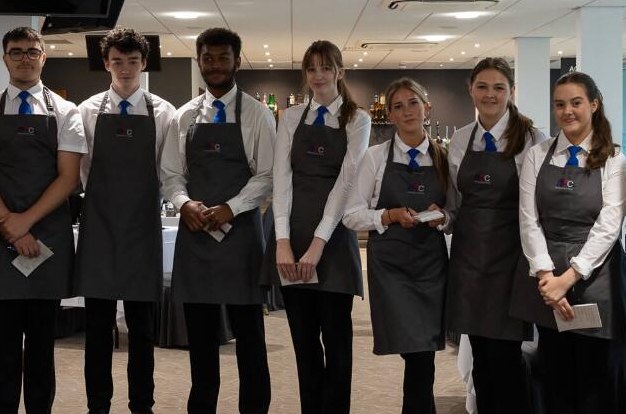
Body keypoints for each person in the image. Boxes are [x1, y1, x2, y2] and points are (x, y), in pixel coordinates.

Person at [0, 26, 85, 414]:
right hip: (1, 241)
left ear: (43, 57)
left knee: (43, 345)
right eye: (16, 52)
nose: (25, 59)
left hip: (48, 239)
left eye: (32, 52)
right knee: (4, 346)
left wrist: (25, 223)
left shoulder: (66, 112)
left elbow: (68, 178)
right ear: (5, 59)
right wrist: (10, 226)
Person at [160, 27, 275, 414]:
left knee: (250, 340)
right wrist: (183, 203)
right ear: (199, 61)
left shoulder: (257, 114)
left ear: (236, 61)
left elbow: (267, 175)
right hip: (196, 237)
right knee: (201, 344)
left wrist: (232, 207)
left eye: (223, 57)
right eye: (207, 58)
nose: (215, 65)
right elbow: (170, 174)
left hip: (241, 237)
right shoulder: (183, 116)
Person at [513, 71, 626, 413]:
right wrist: (546, 277)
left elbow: (609, 225)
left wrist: (568, 278)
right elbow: (528, 219)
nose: (567, 111)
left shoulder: (613, 158)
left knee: (595, 380)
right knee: (554, 376)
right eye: (560, 104)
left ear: (594, 105)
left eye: (576, 103)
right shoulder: (538, 155)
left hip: (595, 279)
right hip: (547, 281)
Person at [74, 27, 177, 414]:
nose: (125, 69)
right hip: (99, 229)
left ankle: (142, 405)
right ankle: (97, 405)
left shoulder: (163, 112)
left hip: (142, 231)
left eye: (133, 61)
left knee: (142, 329)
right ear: (106, 64)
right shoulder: (87, 111)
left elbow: (167, 171)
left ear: (144, 63)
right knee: (98, 329)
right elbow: (82, 170)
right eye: (117, 61)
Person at [340, 78, 452, 414]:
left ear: (426, 108)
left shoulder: (445, 159)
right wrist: (388, 215)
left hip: (431, 266)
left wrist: (444, 217)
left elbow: (458, 214)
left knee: (423, 351)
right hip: (391, 268)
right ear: (389, 114)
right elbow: (351, 215)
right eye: (398, 106)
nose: (407, 111)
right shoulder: (374, 158)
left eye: (413, 103)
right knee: (415, 350)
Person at [269, 39, 369, 414]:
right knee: (304, 342)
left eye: (326, 68)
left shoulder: (357, 120)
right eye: (311, 69)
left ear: (339, 72)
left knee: (338, 343)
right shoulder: (291, 118)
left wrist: (317, 244)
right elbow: (282, 179)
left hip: (334, 241)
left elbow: (346, 183)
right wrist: (282, 241)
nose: (318, 75)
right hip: (292, 237)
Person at [446, 57, 544, 413]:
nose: (490, 94)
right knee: (481, 359)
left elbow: (538, 207)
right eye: (483, 87)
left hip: (511, 261)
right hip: (469, 259)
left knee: (506, 359)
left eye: (499, 87)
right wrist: (440, 218)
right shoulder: (460, 139)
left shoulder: (532, 139)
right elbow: (455, 203)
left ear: (511, 91)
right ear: (470, 90)